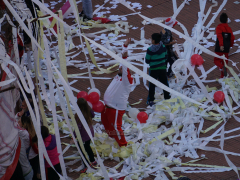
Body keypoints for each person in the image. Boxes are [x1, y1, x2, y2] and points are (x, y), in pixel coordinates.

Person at [101, 38, 133, 147]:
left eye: (121, 68)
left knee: (116, 127)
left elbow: (124, 64)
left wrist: (125, 47)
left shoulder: (126, 80)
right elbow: (121, 63)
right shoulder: (119, 76)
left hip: (116, 108)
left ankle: (123, 144)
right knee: (106, 123)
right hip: (108, 107)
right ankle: (112, 137)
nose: (119, 68)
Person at [72, 98, 97, 173]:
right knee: (87, 147)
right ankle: (93, 160)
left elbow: (78, 128)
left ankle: (86, 165)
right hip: (89, 133)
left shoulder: (79, 115)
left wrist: (74, 136)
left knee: (82, 151)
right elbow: (93, 115)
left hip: (83, 136)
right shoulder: (89, 111)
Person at [145, 33, 171, 106]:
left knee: (152, 85)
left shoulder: (150, 50)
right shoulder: (163, 47)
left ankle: (150, 100)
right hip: (162, 68)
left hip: (153, 69)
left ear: (153, 41)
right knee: (165, 83)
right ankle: (167, 97)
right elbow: (166, 57)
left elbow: (147, 61)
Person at [214, 12, 235, 78]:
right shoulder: (229, 29)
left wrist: (221, 45)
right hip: (226, 48)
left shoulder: (219, 27)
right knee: (224, 62)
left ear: (220, 20)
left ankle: (221, 67)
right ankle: (223, 76)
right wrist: (230, 45)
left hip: (219, 47)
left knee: (216, 60)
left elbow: (220, 36)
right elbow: (232, 38)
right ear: (227, 20)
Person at [20, 115, 40, 180]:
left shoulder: (24, 133)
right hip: (35, 156)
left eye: (19, 122)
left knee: (32, 175)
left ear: (24, 124)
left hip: (29, 157)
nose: (17, 123)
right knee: (35, 175)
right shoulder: (31, 130)